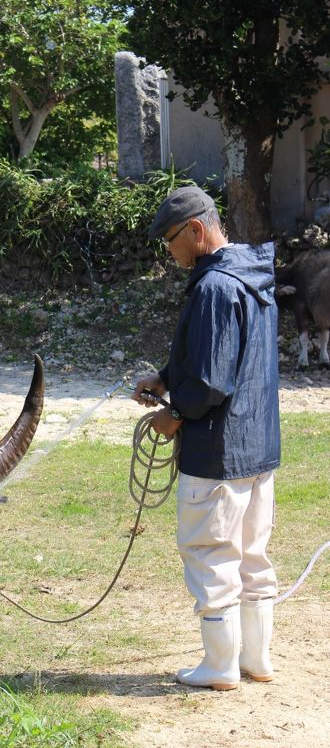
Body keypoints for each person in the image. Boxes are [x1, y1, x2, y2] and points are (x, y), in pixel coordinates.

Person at [133, 185, 280, 691]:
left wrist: (173, 413)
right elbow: (226, 358)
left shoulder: (215, 287)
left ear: (196, 230)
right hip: (258, 447)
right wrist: (166, 376)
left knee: (210, 552)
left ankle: (219, 667)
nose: (170, 252)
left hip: (217, 452)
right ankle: (255, 661)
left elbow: (213, 381)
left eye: (171, 240)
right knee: (252, 556)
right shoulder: (252, 276)